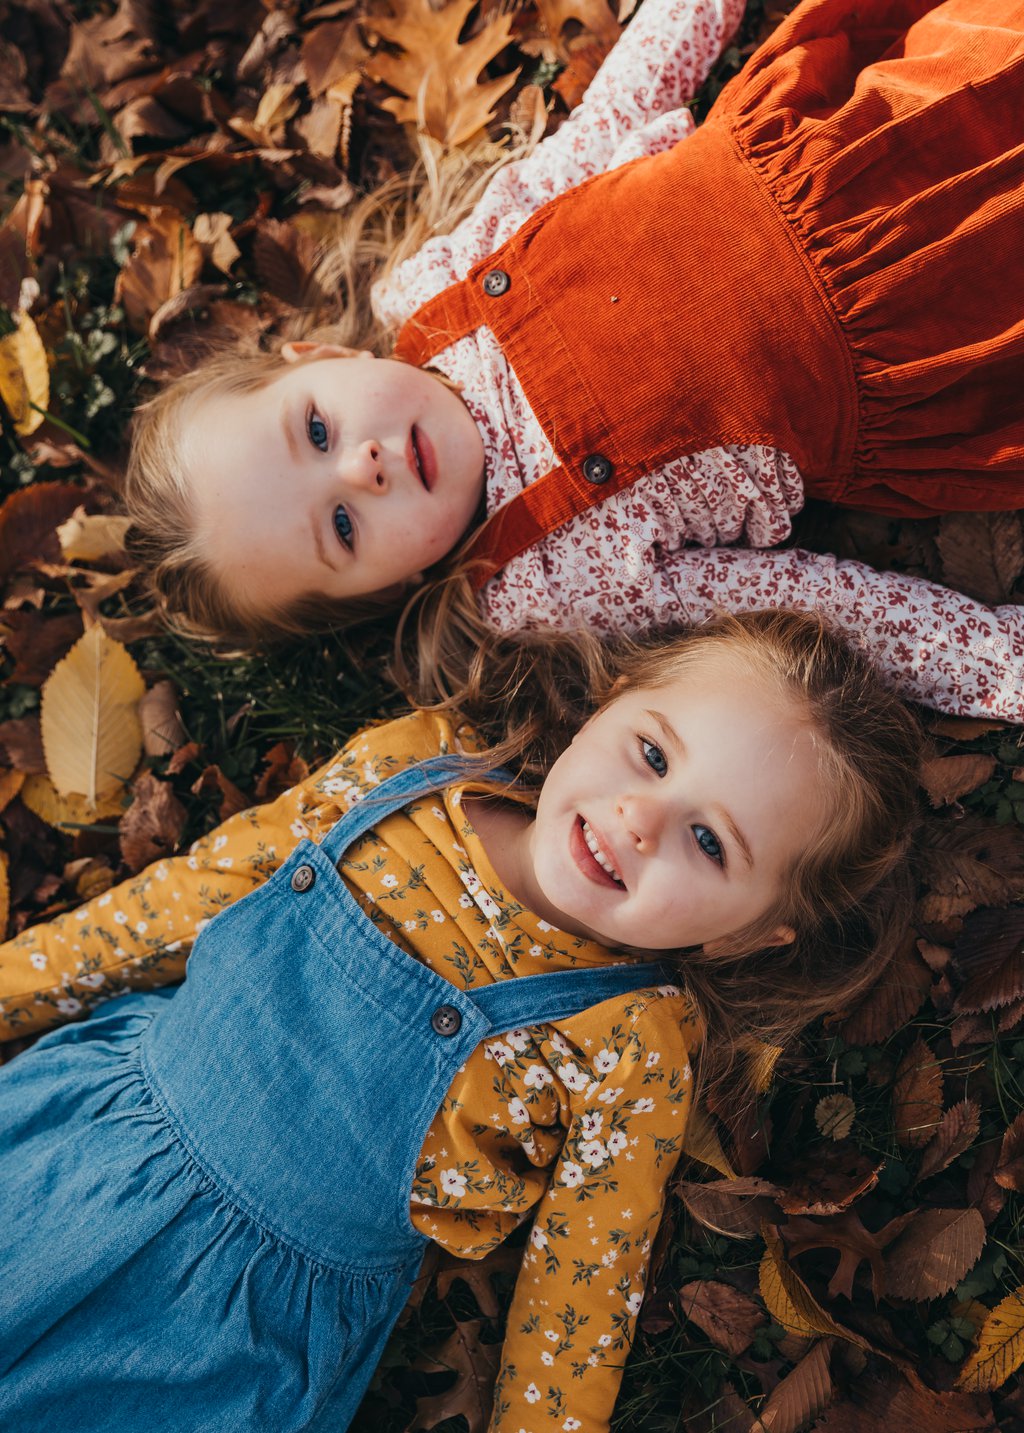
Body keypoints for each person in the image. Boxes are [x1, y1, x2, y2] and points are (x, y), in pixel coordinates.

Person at [0, 611, 920, 1431]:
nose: (640, 818)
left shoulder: (631, 1042)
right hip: (88, 1149)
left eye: (709, 841)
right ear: (607, 701)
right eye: (651, 753)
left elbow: (579, 1298)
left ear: (751, 934)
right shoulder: (408, 769)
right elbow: (188, 897)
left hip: (233, 1330)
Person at [122, 0, 1024, 720]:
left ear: (318, 354)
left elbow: (607, 124)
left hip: (849, 142)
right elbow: (809, 600)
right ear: (392, 587)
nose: (364, 466)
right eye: (345, 528)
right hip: (922, 334)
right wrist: (999, 663)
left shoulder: (436, 289)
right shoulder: (544, 583)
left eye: (317, 430)